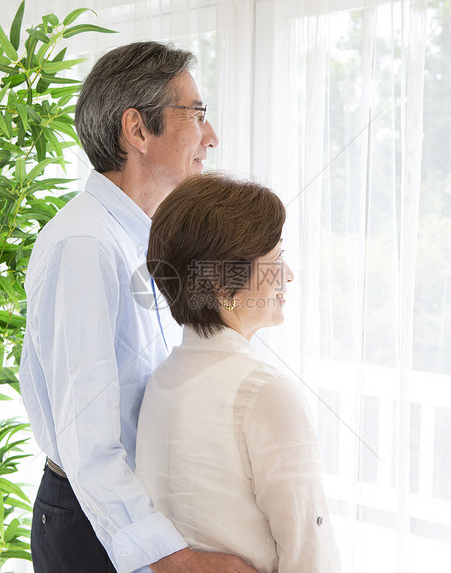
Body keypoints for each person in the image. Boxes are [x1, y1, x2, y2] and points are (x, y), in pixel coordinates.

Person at [20, 42, 259, 573]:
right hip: (93, 525)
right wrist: (174, 558)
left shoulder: (140, 237)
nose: (211, 136)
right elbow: (91, 441)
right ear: (137, 130)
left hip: (129, 510)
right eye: (197, 116)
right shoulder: (85, 245)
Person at [137, 174, 341, 572]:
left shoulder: (161, 380)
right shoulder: (263, 392)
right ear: (224, 284)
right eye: (276, 260)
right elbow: (309, 556)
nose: (289, 276)